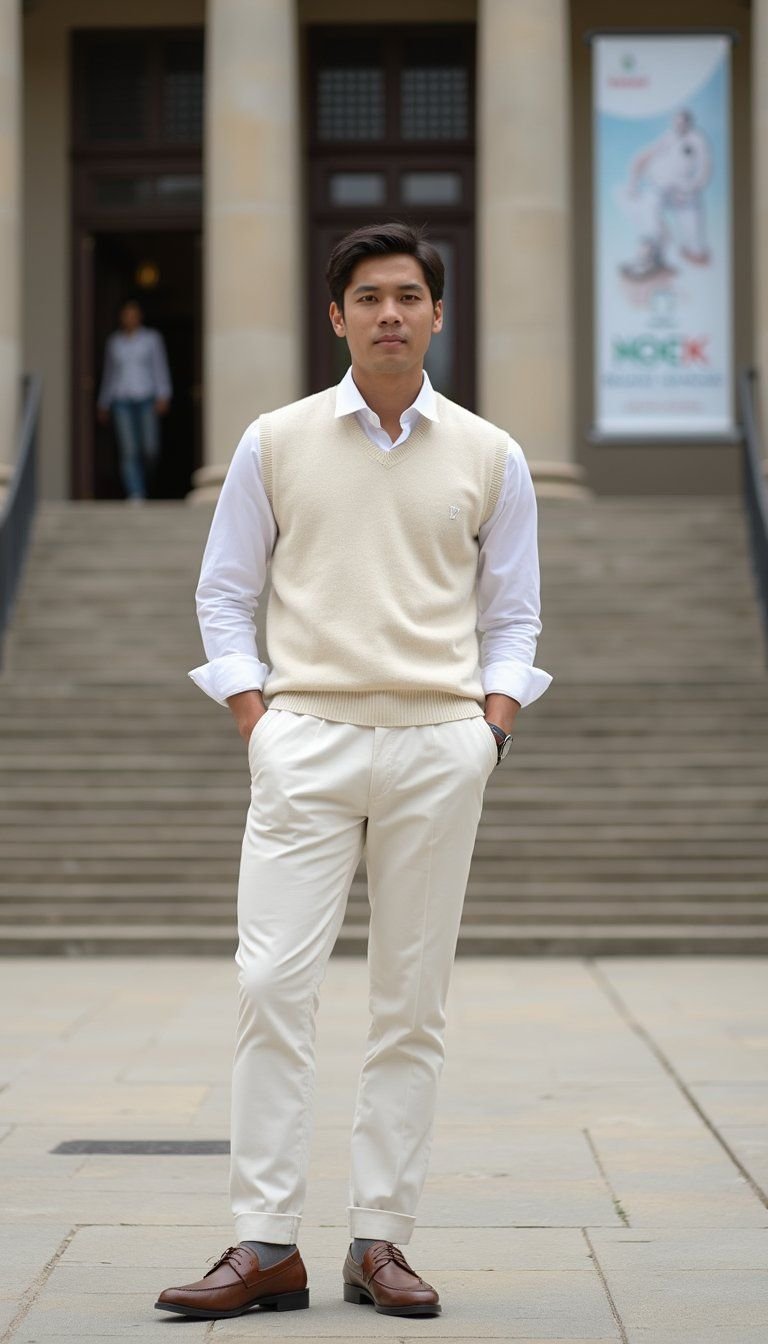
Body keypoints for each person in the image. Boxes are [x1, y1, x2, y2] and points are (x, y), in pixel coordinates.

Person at [155, 222, 552, 1321]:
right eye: (367, 296)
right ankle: (264, 1242)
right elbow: (224, 592)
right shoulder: (275, 440)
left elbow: (512, 612)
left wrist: (493, 725)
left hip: (439, 743)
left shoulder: (490, 452)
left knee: (409, 1005)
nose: (388, 313)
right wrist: (257, 716)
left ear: (436, 315)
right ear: (335, 317)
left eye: (408, 296)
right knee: (272, 985)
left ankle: (382, 1238)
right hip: (308, 738)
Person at [619, 108, 713, 280]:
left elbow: (704, 169)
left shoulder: (698, 139)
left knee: (693, 236)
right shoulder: (668, 136)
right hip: (659, 186)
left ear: (689, 122)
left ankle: (693, 253)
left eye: (683, 122)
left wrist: (690, 187)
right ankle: (648, 259)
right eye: (676, 122)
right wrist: (633, 181)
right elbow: (646, 156)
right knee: (649, 213)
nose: (679, 125)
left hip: (685, 192)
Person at [96, 298, 172, 501]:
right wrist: (103, 402)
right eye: (126, 314)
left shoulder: (151, 339)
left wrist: (163, 393)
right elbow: (110, 374)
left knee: (150, 448)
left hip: (146, 397)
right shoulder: (115, 343)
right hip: (121, 400)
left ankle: (146, 482)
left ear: (139, 316)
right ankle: (136, 491)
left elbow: (159, 367)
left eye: (133, 314)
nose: (130, 318)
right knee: (129, 449)